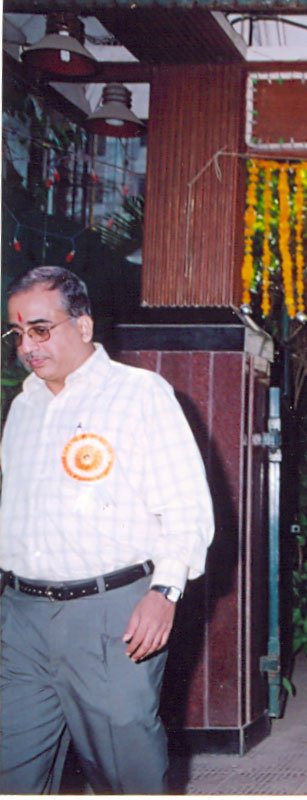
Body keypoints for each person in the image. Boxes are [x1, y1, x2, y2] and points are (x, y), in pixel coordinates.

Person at [0, 266, 215, 793]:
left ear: (83, 326)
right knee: (12, 769)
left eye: (41, 329)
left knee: (126, 771)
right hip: (21, 618)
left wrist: (165, 592)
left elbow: (185, 505)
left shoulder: (140, 394)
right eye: (18, 333)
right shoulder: (23, 407)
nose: (27, 346)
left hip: (110, 615)